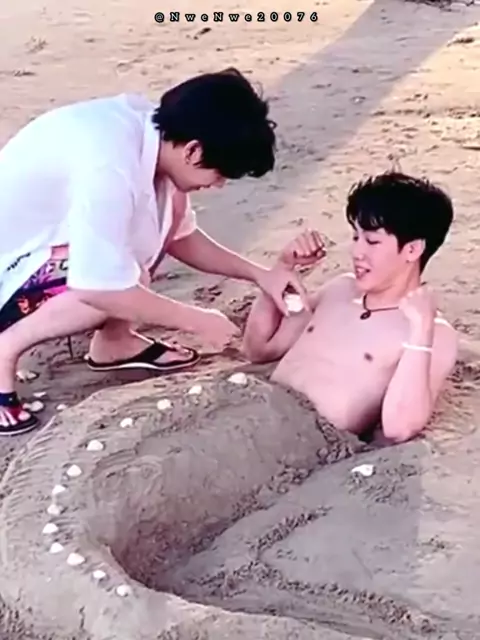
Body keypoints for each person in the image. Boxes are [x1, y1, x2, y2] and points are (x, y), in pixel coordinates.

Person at [0, 67, 308, 435]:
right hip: (11, 260)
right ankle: (4, 350)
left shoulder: (155, 136)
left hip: (40, 244)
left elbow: (180, 237)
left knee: (151, 234)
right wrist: (197, 321)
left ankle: (115, 343)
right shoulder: (111, 163)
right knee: (112, 281)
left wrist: (261, 275)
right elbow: (96, 285)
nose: (219, 185)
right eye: (221, 173)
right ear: (194, 150)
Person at [243, 171, 458, 444]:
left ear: (413, 250)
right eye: (356, 237)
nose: (356, 252)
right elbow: (259, 350)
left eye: (372, 241)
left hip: (296, 441)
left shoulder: (433, 333)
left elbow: (399, 428)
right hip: (252, 407)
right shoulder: (339, 289)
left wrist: (421, 333)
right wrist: (282, 270)